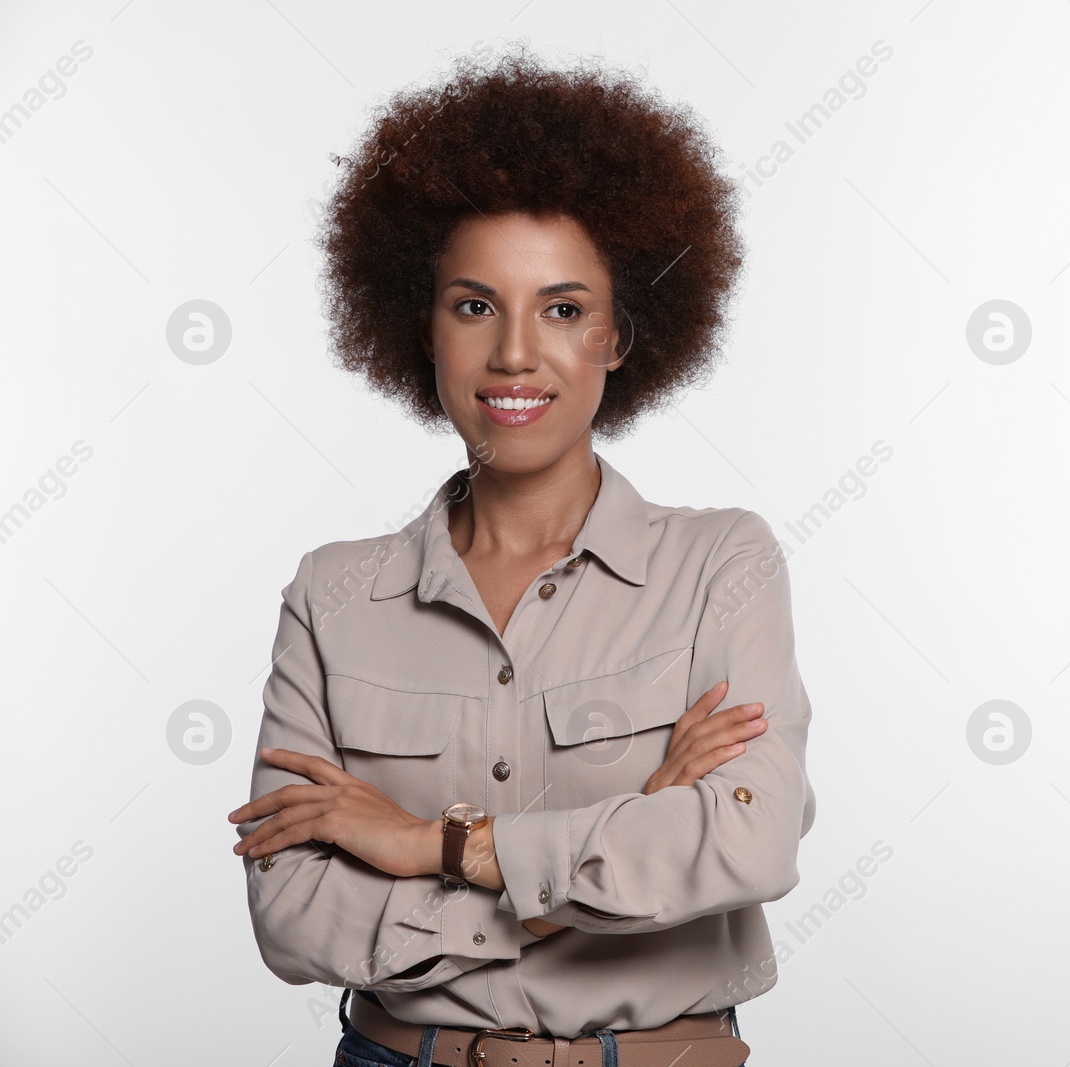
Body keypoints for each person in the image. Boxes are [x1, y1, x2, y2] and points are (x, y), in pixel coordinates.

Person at [226, 44, 815, 1067]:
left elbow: (744, 842)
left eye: (563, 308)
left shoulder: (724, 564)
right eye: (473, 304)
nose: (512, 353)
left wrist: (429, 846)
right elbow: (293, 918)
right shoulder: (334, 594)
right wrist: (602, 859)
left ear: (621, 336)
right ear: (423, 328)